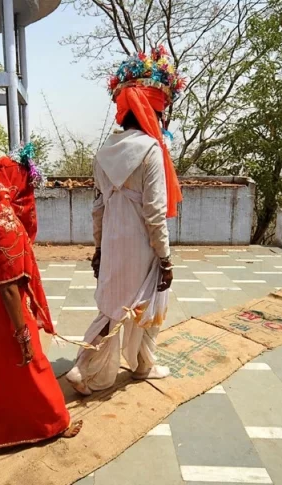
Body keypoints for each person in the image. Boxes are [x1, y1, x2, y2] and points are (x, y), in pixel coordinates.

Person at [0, 145, 82, 463]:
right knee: (31, 364)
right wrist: (22, 333)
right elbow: (8, 286)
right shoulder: (5, 224)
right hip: (3, 312)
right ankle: (54, 423)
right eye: (25, 183)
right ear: (13, 183)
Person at [65, 47, 185, 395]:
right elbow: (154, 212)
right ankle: (107, 366)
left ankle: (122, 365)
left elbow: (98, 209)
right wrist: (164, 257)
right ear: (155, 112)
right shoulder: (150, 151)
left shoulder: (102, 154)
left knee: (113, 307)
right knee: (146, 304)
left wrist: (99, 249)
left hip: (114, 242)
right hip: (141, 245)